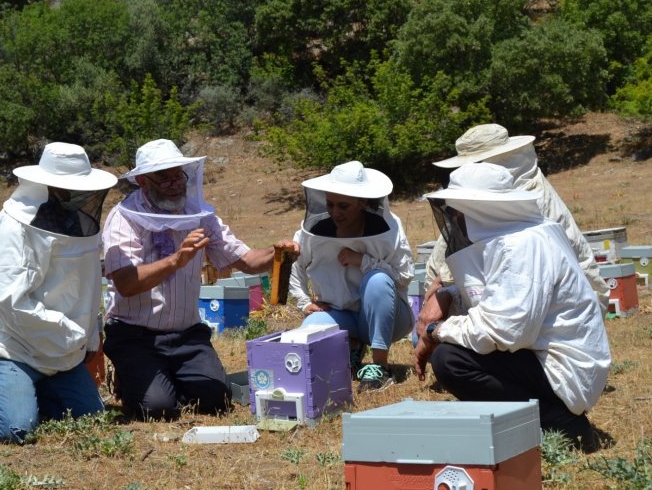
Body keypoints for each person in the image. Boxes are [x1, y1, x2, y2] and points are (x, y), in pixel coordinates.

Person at [414, 162, 611, 452]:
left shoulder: (523, 245)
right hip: (543, 355)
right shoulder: (517, 237)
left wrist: (437, 330)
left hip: (561, 368)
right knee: (455, 351)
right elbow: (495, 294)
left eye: (457, 212)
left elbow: (503, 331)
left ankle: (561, 425)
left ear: (478, 211)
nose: (454, 220)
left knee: (451, 360)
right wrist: (450, 296)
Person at [0, 142, 118, 443]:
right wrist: (70, 333)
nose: (82, 196)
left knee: (91, 419)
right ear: (49, 186)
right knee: (16, 429)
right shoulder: (14, 227)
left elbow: (86, 289)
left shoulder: (75, 222)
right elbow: (7, 301)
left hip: (60, 351)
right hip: (10, 348)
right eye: (72, 188)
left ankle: (29, 393)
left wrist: (90, 339)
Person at [101, 139, 298, 420]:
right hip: (135, 335)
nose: (173, 183)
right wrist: (175, 260)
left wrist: (279, 253)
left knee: (216, 399)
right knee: (156, 409)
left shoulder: (200, 215)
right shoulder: (123, 218)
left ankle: (160, 378)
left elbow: (246, 260)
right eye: (163, 178)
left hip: (186, 334)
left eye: (177, 175)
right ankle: (134, 377)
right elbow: (126, 283)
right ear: (143, 182)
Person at [422, 123, 609, 315]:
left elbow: (510, 265)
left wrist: (445, 282)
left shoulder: (526, 198)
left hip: (556, 308)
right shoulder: (518, 187)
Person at [288, 161, 415, 393]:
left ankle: (380, 366)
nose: (335, 212)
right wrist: (304, 302)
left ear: (362, 202)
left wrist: (364, 261)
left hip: (390, 318)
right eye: (330, 204)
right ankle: (353, 348)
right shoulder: (314, 231)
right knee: (311, 327)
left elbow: (404, 276)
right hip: (340, 315)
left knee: (377, 280)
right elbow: (295, 266)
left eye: (344, 206)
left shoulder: (389, 228)